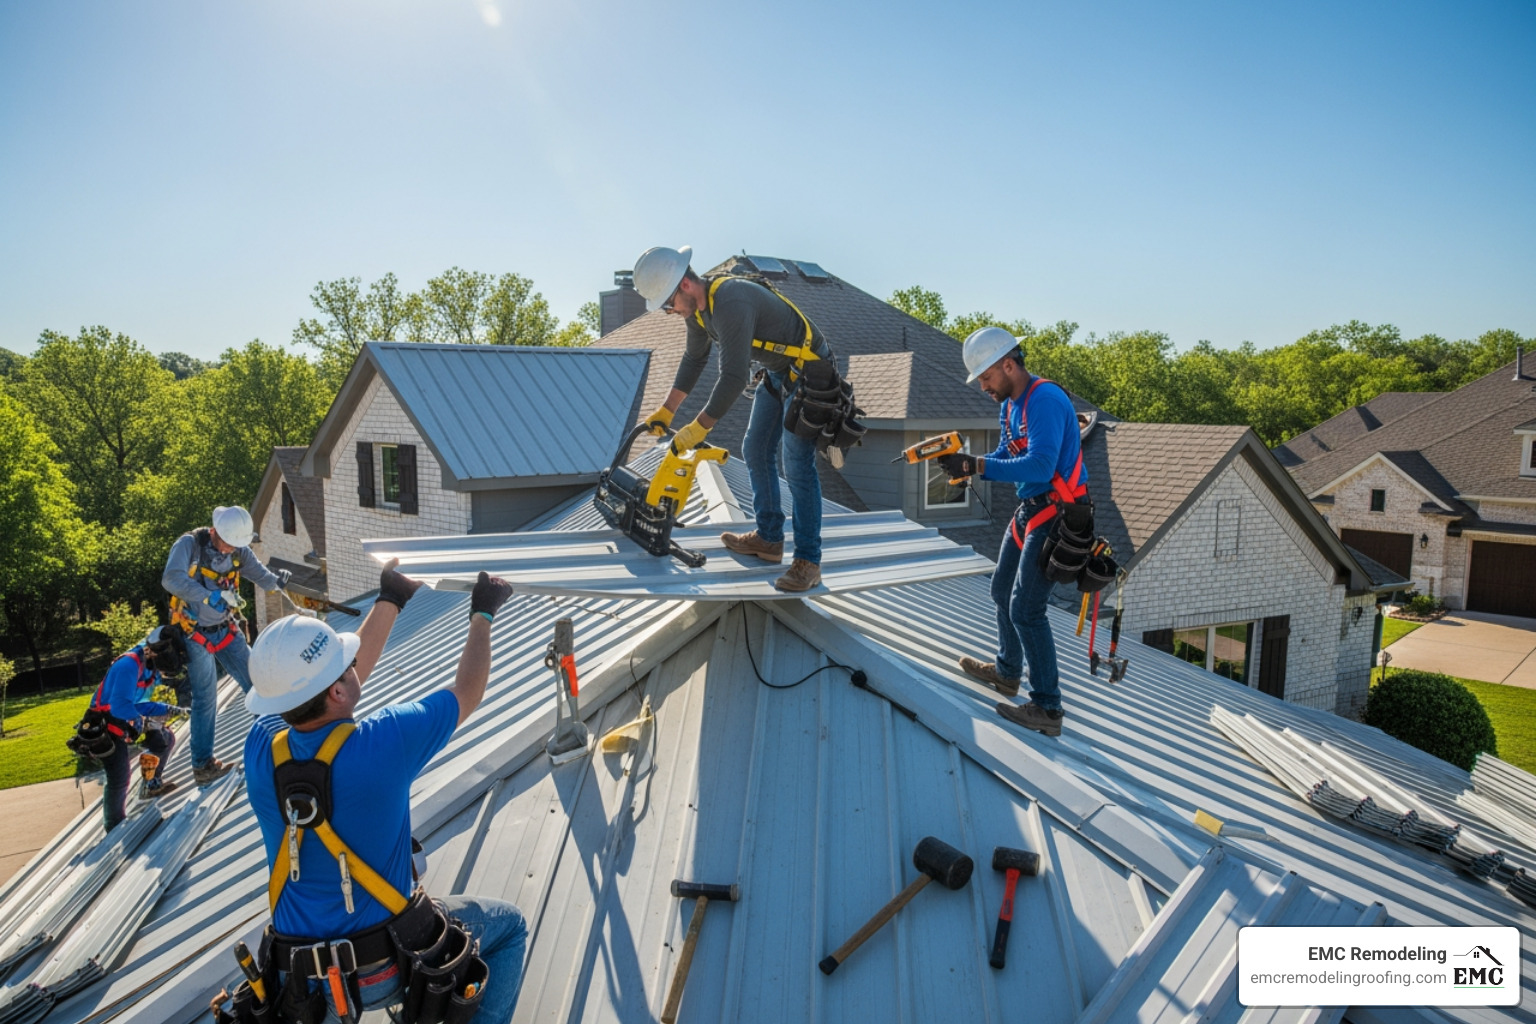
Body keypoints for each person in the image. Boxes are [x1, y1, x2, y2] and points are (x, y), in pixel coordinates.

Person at [241, 559, 527, 1024]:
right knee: (510, 926)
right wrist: (483, 613)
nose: (356, 666)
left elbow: (324, 692)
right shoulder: (387, 741)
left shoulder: (259, 749)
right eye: (348, 666)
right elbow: (467, 692)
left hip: (301, 984)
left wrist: (390, 598)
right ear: (337, 691)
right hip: (387, 966)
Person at [631, 245, 836, 593]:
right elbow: (694, 359)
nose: (669, 312)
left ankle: (808, 561)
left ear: (684, 285)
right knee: (755, 448)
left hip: (809, 369)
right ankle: (769, 539)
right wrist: (667, 410)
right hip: (779, 371)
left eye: (668, 305)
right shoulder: (698, 312)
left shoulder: (730, 301)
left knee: (797, 463)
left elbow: (734, 377)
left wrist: (699, 428)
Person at [940, 327, 1090, 738]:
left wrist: (977, 466)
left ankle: (1048, 707)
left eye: (986, 376)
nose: (983, 386)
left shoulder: (1045, 400)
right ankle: (1008, 672)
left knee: (1026, 609)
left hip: (1059, 513)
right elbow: (1009, 452)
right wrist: (970, 463)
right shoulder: (1010, 405)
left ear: (1008, 364)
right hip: (1032, 509)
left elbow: (1042, 465)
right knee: (1001, 589)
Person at [162, 504, 290, 785]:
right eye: (227, 544)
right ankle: (203, 765)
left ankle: (276, 742)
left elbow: (259, 574)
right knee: (206, 698)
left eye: (235, 545)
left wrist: (276, 582)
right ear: (214, 532)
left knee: (258, 681)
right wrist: (206, 595)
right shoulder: (189, 545)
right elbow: (170, 578)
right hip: (194, 632)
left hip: (225, 627)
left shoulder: (239, 550)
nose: (230, 549)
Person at [80, 626, 188, 831]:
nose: (162, 676)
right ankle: (113, 826)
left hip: (126, 717)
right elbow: (120, 706)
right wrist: (141, 722)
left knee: (165, 740)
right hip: (106, 724)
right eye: (162, 671)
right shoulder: (128, 666)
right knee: (119, 777)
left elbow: (138, 703)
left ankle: (151, 784)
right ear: (153, 653)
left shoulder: (148, 665)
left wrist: (168, 709)